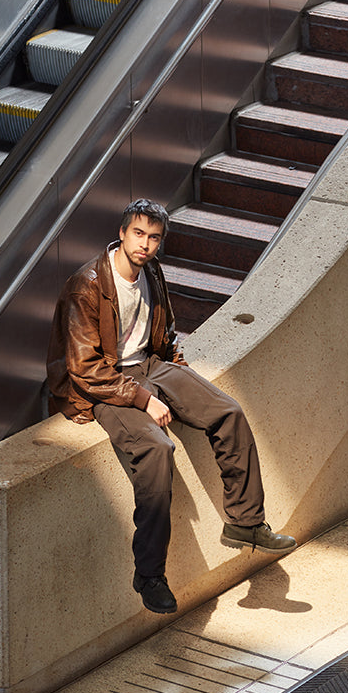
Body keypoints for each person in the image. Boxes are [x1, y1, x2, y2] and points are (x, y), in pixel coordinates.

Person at [46, 198, 296, 614]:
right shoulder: (87, 285)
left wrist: (179, 381)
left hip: (152, 366)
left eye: (154, 238)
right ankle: (149, 574)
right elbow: (85, 369)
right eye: (139, 234)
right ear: (123, 233)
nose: (145, 245)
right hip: (106, 384)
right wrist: (144, 400)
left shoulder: (151, 271)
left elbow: (164, 331)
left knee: (227, 411)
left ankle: (245, 523)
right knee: (157, 450)